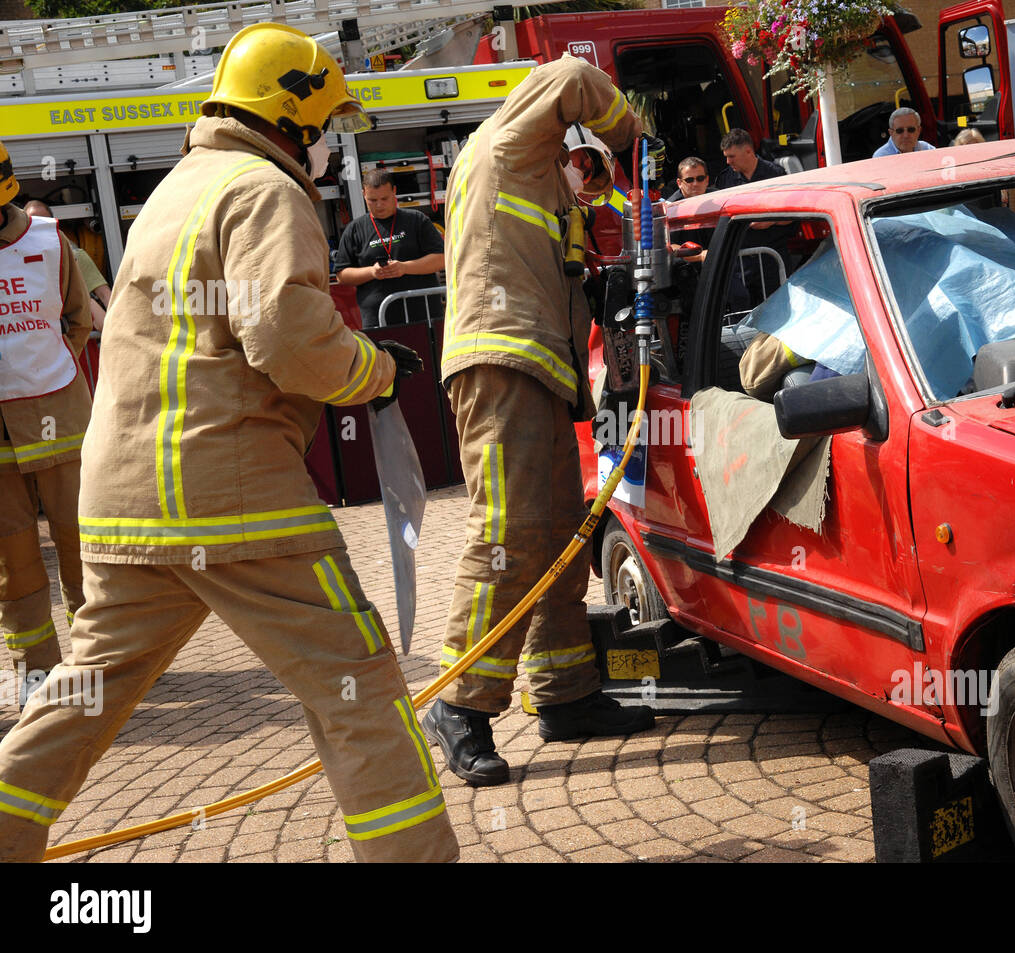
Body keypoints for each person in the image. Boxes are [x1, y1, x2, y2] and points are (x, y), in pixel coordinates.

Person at [0, 24, 459, 863]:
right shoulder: (265, 191)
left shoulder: (179, 188)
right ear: (300, 118)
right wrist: (375, 371)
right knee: (356, 683)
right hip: (232, 496)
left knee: (82, 694)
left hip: (127, 500)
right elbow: (286, 337)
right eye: (327, 128)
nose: (327, 150)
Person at [424, 54, 653, 789]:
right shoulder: (502, 142)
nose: (576, 165)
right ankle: (460, 704)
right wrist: (632, 135)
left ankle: (564, 691)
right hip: (501, 360)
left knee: (559, 528)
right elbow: (569, 74)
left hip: (539, 367)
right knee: (509, 529)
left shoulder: (540, 183)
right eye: (572, 152)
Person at [0, 140, 92, 691]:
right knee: (13, 559)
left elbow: (77, 323)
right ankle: (38, 675)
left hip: (60, 422)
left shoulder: (48, 241)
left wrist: (42, 385)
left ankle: (98, 658)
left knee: (82, 542)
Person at [335, 169, 445, 328]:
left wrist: (405, 267)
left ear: (394, 191)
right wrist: (372, 272)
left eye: (384, 198)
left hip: (424, 315)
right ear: (363, 193)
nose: (379, 205)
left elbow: (441, 259)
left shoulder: (416, 220)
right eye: (372, 200)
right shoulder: (354, 229)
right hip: (378, 320)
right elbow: (342, 275)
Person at [23, 200, 110, 330]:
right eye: (33, 223)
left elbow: (105, 296)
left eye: (44, 222)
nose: (38, 228)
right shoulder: (18, 265)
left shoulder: (75, 256)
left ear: (54, 225)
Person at [716, 129, 785, 190]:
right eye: (726, 157)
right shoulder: (725, 179)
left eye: (732, 156)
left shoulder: (775, 173)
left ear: (748, 152)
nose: (728, 162)